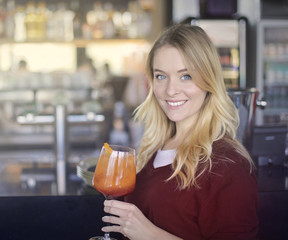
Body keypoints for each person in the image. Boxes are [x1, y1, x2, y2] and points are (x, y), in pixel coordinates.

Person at [100, 24, 259, 240]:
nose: (170, 90)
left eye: (186, 76)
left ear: (208, 80)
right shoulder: (153, 148)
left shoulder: (227, 166)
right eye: (161, 76)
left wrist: (150, 235)